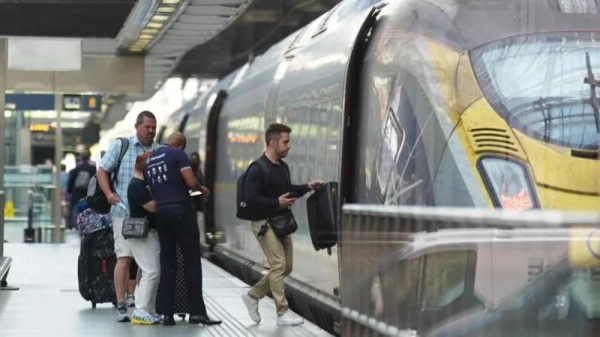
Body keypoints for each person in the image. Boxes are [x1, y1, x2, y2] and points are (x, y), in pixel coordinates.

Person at [241, 123, 323, 326]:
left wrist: (307, 187)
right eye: (285, 142)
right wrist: (275, 203)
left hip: (281, 223)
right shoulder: (257, 169)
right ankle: (282, 313)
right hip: (263, 223)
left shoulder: (282, 167)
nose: (289, 146)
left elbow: (287, 190)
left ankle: (252, 295)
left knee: (286, 267)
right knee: (278, 265)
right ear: (272, 142)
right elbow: (250, 199)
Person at [144, 132, 221, 326]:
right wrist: (201, 189)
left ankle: (167, 314)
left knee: (168, 264)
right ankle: (197, 313)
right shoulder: (177, 154)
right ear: (179, 146)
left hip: (161, 214)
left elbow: (152, 191)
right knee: (192, 262)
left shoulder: (149, 161)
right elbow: (191, 182)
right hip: (181, 211)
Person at [97, 110, 159, 322]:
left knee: (144, 262)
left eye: (153, 127)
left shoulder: (159, 150)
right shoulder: (121, 146)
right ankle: (121, 303)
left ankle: (142, 304)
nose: (151, 131)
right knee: (123, 258)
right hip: (122, 212)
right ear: (137, 126)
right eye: (147, 127)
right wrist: (108, 193)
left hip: (145, 215)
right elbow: (102, 170)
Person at [127, 151, 162, 325]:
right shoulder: (136, 186)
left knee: (152, 271)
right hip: (142, 234)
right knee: (151, 271)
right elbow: (153, 207)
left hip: (147, 234)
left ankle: (149, 310)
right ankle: (141, 311)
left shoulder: (142, 184)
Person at [67, 150, 96, 229]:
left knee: (75, 208)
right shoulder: (93, 167)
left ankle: (75, 224)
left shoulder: (77, 168)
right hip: (89, 192)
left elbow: (71, 181)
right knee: (89, 208)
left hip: (77, 192)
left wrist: (69, 191)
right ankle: (89, 224)